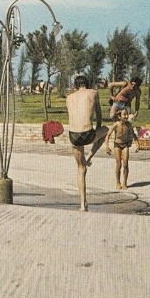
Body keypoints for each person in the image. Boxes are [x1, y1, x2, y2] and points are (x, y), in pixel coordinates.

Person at [65, 75, 106, 212]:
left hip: (73, 136)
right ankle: (89, 157)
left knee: (80, 169)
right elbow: (99, 116)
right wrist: (98, 130)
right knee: (106, 130)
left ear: (76, 86)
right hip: (88, 133)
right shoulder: (93, 93)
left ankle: (83, 205)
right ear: (87, 84)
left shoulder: (69, 98)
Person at [104, 108, 138, 190]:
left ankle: (125, 182)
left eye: (127, 114)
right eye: (124, 115)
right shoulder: (116, 124)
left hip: (125, 145)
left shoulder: (129, 125)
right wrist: (107, 146)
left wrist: (137, 144)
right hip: (117, 145)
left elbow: (134, 135)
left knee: (125, 164)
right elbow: (108, 135)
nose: (126, 116)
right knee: (118, 165)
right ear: (119, 116)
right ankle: (118, 182)